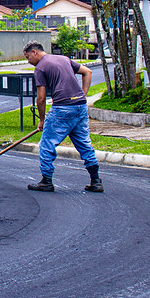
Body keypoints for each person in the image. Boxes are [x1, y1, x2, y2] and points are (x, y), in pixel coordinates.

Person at [23, 40, 103, 193]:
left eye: (27, 57)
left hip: (62, 108)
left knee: (47, 144)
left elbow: (40, 98)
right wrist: (83, 96)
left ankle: (46, 180)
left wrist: (41, 120)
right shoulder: (64, 59)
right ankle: (96, 181)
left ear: (34, 52)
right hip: (79, 107)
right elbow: (88, 72)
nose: (28, 61)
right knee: (84, 144)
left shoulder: (40, 68)